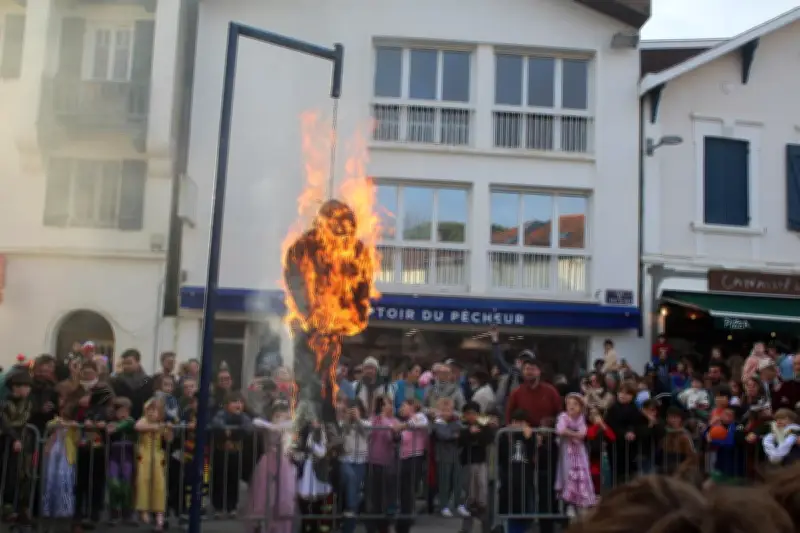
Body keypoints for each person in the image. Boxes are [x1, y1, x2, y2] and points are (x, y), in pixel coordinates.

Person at [245, 401, 296, 533]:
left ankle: (280, 527)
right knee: (263, 494)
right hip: (267, 462)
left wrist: (277, 426)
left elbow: (287, 427)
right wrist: (271, 425)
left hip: (282, 463)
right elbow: (256, 422)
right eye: (277, 416)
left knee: (283, 497)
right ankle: (261, 525)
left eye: (283, 416)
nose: (279, 419)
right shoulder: (267, 426)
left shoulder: (289, 426)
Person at [210, 391, 253, 516]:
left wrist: (232, 433)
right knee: (218, 479)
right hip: (220, 452)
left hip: (235, 453)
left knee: (233, 480)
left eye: (240, 402)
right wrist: (225, 433)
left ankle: (231, 506)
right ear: (227, 405)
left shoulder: (243, 417)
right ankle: (218, 506)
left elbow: (248, 428)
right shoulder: (221, 414)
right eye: (234, 402)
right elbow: (217, 425)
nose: (238, 404)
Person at [0, 371, 33, 525]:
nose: (28, 390)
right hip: (6, 443)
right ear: (15, 387)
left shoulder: (27, 403)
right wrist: (14, 437)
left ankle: (21, 509)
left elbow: (23, 420)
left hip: (24, 442)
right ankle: (7, 509)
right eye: (25, 386)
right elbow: (5, 423)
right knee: (8, 475)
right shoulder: (5, 404)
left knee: (24, 474)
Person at [135, 398, 173, 531]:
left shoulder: (162, 423)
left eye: (154, 411)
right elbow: (138, 426)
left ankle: (159, 518)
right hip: (144, 455)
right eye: (149, 410)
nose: (151, 413)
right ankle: (143, 510)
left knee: (159, 485)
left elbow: (169, 439)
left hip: (157, 456)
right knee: (143, 481)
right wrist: (155, 427)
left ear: (160, 413)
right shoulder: (144, 420)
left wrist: (169, 429)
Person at [555, 393, 595, 517]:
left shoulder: (581, 419)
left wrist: (570, 433)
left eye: (575, 404)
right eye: (569, 404)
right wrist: (574, 434)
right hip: (567, 453)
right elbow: (560, 429)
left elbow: (582, 434)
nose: (571, 407)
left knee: (581, 476)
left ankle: (581, 502)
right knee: (568, 476)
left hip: (580, 454)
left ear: (581, 407)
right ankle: (570, 504)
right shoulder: (563, 416)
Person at [41, 399, 79, 522]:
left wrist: (75, 427)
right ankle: (48, 508)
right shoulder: (56, 420)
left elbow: (77, 440)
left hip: (66, 455)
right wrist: (59, 423)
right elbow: (49, 425)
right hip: (54, 452)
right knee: (51, 478)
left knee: (65, 479)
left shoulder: (74, 425)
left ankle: (64, 509)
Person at [458, 401, 493, 532]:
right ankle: (466, 528)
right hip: (467, 463)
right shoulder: (463, 426)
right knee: (469, 496)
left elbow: (488, 438)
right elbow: (460, 440)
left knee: (482, 495)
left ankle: (486, 527)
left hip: (481, 462)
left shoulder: (484, 425)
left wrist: (476, 434)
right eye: (468, 414)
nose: (471, 416)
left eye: (473, 413)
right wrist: (470, 433)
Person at [107, 397, 136, 524]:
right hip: (114, 457)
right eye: (120, 411)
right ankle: (114, 511)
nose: (123, 414)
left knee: (126, 484)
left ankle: (127, 513)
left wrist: (116, 427)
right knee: (114, 484)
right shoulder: (110, 422)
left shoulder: (130, 421)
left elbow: (127, 423)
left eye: (126, 411)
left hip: (127, 457)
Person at [432, 397, 462, 517]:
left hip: (456, 455)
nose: (446, 413)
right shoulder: (437, 422)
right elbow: (443, 435)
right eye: (443, 410)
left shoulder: (456, 421)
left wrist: (452, 433)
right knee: (444, 482)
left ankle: (458, 504)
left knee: (457, 481)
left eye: (449, 410)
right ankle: (443, 505)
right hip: (443, 456)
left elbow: (460, 431)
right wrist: (453, 434)